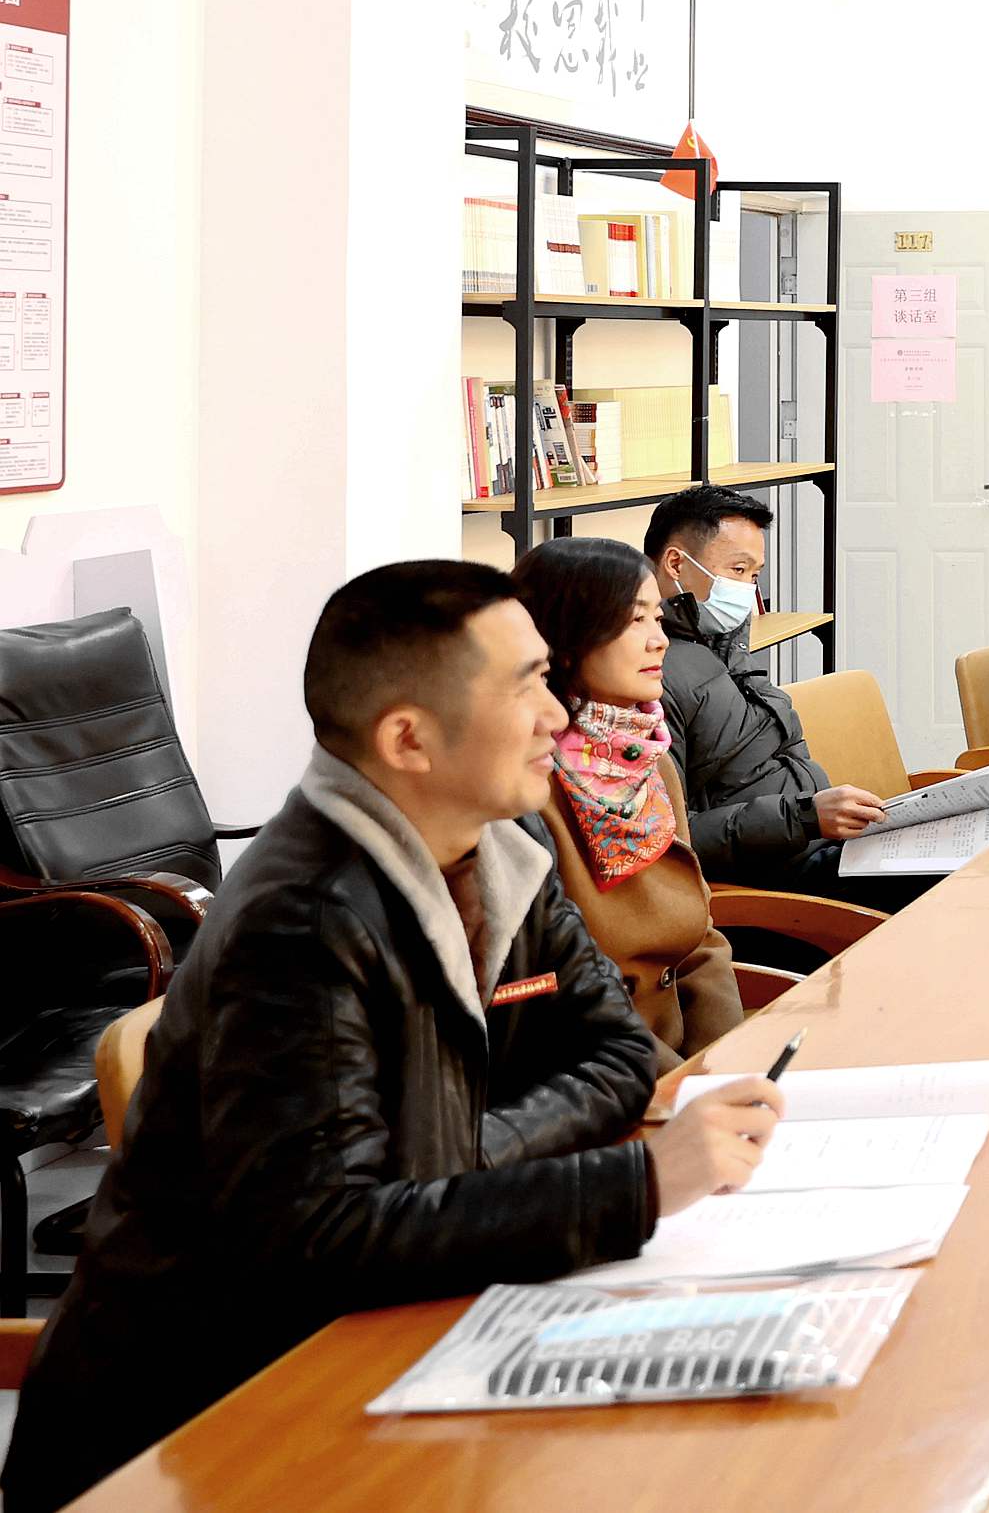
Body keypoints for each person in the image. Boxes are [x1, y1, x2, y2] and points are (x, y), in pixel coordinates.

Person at [0, 563, 784, 1512]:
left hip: (379, 1349)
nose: (558, 715)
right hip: (196, 1428)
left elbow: (617, 1055)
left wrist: (457, 1169)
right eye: (525, 687)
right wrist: (640, 1183)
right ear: (407, 738)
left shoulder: (497, 853)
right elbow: (329, 1239)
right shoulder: (304, 919)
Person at [514, 536, 749, 1066]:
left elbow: (702, 941)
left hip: (689, 1060)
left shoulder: (647, 760)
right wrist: (680, 1089)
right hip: (602, 1074)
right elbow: (558, 996)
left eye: (658, 619)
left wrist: (723, 1064)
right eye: (633, 620)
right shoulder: (526, 786)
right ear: (563, 639)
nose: (659, 641)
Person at [644, 485, 894, 904]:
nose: (747, 589)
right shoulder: (651, 672)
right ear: (676, 563)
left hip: (826, 846)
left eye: (754, 575)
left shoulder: (726, 645)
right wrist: (806, 817)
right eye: (738, 569)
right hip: (778, 881)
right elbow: (671, 835)